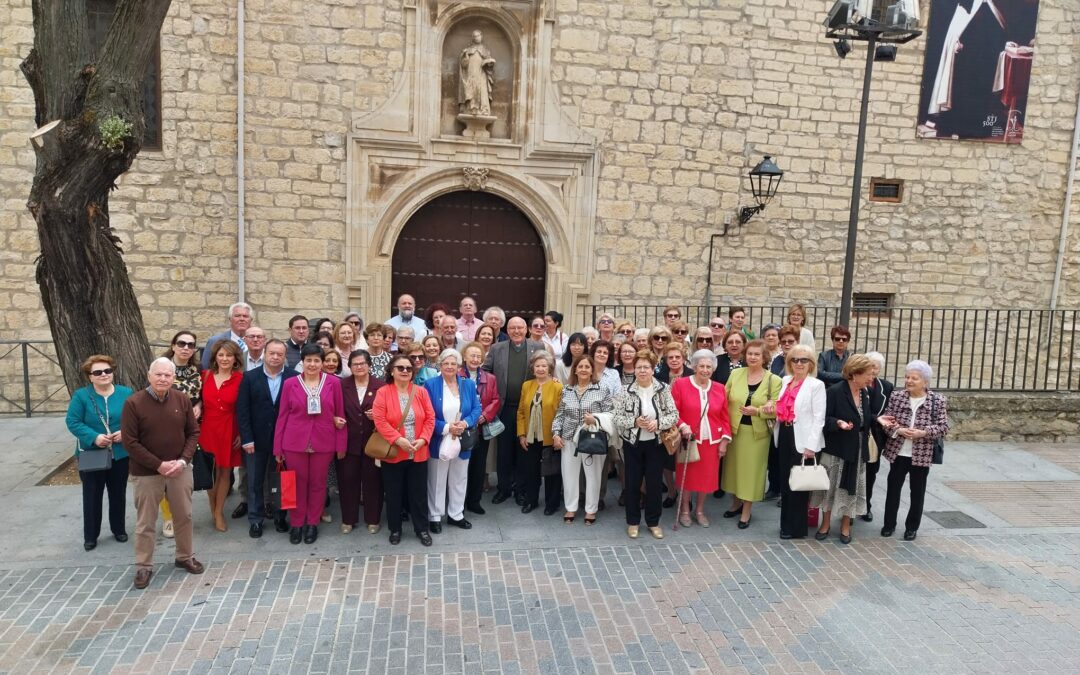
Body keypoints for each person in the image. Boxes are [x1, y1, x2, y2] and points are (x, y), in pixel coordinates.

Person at [121, 357, 203, 590]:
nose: (163, 378)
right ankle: (144, 565)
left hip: (179, 469)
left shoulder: (182, 399)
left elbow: (193, 432)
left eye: (168, 375)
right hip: (147, 472)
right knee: (146, 521)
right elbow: (130, 442)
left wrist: (183, 460)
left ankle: (184, 556)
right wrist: (158, 465)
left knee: (184, 516)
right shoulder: (133, 403)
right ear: (149, 376)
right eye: (158, 374)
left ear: (173, 378)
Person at [273, 344, 347, 545]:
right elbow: (282, 416)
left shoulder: (333, 383)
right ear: (302, 362)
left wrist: (341, 445)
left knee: (317, 484)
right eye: (309, 360)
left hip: (323, 441)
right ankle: (297, 523)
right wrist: (277, 447)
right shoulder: (290, 383)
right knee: (296, 484)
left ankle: (312, 523)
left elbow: (340, 415)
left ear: (322, 363)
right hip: (294, 442)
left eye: (316, 360)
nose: (312, 364)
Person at [66, 355, 133, 551]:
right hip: (92, 454)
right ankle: (91, 535)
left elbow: (135, 419)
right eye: (98, 372)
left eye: (107, 371)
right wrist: (94, 437)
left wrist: (125, 432)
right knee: (92, 495)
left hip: (119, 454)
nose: (103, 375)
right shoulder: (81, 396)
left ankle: (118, 529)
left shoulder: (126, 393)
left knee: (118, 493)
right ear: (90, 377)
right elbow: (73, 422)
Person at [878, 360, 949, 542]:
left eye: (914, 378)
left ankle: (912, 528)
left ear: (925, 382)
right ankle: (889, 524)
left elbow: (943, 427)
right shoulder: (897, 396)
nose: (909, 381)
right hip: (898, 452)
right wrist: (899, 430)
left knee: (917, 493)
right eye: (907, 377)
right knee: (893, 490)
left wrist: (923, 432)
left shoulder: (937, 400)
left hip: (921, 453)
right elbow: (886, 421)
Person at [613, 349, 678, 540]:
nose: (642, 371)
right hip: (632, 444)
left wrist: (658, 424)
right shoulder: (625, 390)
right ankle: (633, 522)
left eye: (646, 367)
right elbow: (617, 417)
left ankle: (653, 522)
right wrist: (634, 422)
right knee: (632, 484)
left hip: (656, 444)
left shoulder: (663, 388)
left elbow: (674, 414)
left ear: (653, 369)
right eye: (639, 367)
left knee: (654, 484)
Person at [236, 338, 297, 538]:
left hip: (285, 440)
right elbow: (242, 411)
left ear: (285, 356)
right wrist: (246, 439)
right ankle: (256, 519)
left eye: (280, 354)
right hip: (256, 440)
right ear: (264, 353)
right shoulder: (249, 377)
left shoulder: (293, 377)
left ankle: (280, 517)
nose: (275, 357)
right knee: (255, 481)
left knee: (281, 479)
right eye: (272, 353)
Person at [811, 354, 876, 545]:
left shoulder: (866, 393)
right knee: (830, 488)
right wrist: (837, 423)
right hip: (836, 449)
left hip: (856, 450)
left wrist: (878, 420)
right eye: (868, 375)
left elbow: (866, 420)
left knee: (851, 489)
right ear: (855, 374)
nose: (871, 378)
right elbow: (823, 419)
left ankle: (846, 526)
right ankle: (825, 524)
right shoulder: (835, 391)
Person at [373, 354, 437, 546]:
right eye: (400, 368)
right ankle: (395, 529)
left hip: (417, 451)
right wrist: (398, 439)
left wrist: (424, 439)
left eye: (408, 368)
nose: (405, 371)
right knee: (393, 494)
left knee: (418, 494)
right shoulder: (383, 392)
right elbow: (380, 421)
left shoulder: (421, 392)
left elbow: (430, 418)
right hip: (394, 451)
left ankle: (422, 529)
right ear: (391, 371)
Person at [482, 316, 545, 505]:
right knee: (504, 451)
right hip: (505, 409)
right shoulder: (497, 348)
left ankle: (521, 490)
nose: (516, 331)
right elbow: (486, 371)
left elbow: (546, 370)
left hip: (528, 409)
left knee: (524, 450)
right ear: (507, 330)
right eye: (512, 328)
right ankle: (503, 489)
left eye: (520, 327)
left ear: (526, 329)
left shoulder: (538, 347)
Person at [722, 340, 782, 529]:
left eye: (757, 354)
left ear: (764, 357)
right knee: (733, 470)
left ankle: (746, 511)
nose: (753, 357)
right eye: (749, 354)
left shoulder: (774, 380)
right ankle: (735, 503)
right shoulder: (735, 374)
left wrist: (757, 411)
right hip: (735, 431)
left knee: (751, 473)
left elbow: (778, 408)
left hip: (757, 435)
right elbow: (723, 397)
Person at [670, 350, 733, 528]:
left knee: (706, 479)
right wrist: (682, 426)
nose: (705, 370)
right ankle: (684, 510)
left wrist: (724, 441)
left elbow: (725, 417)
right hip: (688, 440)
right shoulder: (681, 384)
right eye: (701, 366)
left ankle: (699, 510)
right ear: (694, 367)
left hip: (711, 441)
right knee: (686, 476)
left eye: (709, 367)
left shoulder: (720, 388)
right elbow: (674, 411)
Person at [772, 345, 826, 540]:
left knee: (799, 485)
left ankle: (796, 528)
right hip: (785, 434)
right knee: (786, 482)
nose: (799, 363)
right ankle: (785, 524)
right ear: (789, 363)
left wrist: (811, 447)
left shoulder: (816, 385)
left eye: (804, 360)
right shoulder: (786, 380)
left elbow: (819, 418)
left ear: (811, 364)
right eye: (795, 360)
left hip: (803, 439)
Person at [424, 349, 481, 533]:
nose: (450, 367)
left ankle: (456, 514)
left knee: (459, 477)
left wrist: (465, 423)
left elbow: (476, 409)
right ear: (440, 365)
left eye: (453, 364)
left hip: (461, 439)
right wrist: (448, 428)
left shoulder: (468, 384)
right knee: (437, 478)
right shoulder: (430, 385)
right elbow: (428, 414)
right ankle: (434, 516)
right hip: (439, 438)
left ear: (459, 367)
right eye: (446, 363)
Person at [552, 355, 614, 525]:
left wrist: (596, 419)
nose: (584, 370)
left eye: (587, 367)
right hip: (569, 437)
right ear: (575, 370)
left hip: (592, 437)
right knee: (569, 475)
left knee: (593, 476)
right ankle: (570, 507)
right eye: (580, 367)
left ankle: (591, 510)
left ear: (592, 370)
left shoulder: (602, 389)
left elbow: (612, 413)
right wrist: (556, 434)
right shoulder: (567, 389)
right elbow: (560, 414)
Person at [200, 339, 244, 532]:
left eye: (229, 355)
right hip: (207, 428)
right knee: (209, 473)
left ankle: (218, 512)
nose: (224, 358)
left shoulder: (241, 380)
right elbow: (196, 400)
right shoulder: (204, 376)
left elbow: (244, 409)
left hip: (229, 428)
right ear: (215, 357)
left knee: (225, 471)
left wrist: (242, 433)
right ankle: (214, 508)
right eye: (221, 355)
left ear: (235, 359)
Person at [339, 349, 385, 535]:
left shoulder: (380, 386)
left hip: (372, 442)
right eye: (355, 364)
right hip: (348, 442)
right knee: (347, 481)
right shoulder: (341, 385)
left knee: (373, 481)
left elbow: (390, 411)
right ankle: (348, 519)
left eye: (362, 363)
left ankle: (373, 519)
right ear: (349, 366)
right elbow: (334, 409)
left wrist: (378, 415)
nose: (359, 367)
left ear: (369, 365)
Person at [162, 330, 202, 537]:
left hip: (193, 425)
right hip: (168, 424)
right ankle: (168, 517)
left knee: (186, 470)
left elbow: (203, 393)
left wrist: (200, 405)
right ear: (173, 345)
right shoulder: (163, 367)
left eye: (190, 344)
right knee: (169, 471)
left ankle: (183, 513)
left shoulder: (198, 368)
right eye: (182, 343)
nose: (186, 347)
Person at [516, 351, 564, 515]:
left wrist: (559, 434)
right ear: (533, 368)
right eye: (538, 366)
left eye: (544, 365)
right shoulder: (527, 385)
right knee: (531, 471)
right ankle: (531, 500)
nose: (541, 369)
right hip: (530, 436)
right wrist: (521, 434)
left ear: (550, 368)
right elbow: (521, 411)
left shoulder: (558, 386)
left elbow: (561, 413)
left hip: (550, 436)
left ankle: (552, 503)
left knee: (552, 472)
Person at [461, 341, 501, 515]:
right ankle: (458, 502)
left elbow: (495, 399)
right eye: (472, 355)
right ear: (464, 357)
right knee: (461, 467)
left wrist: (485, 415)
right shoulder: (457, 375)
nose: (475, 359)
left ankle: (474, 501)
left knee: (478, 466)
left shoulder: (489, 378)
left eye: (479, 356)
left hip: (481, 428)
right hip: (462, 428)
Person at [862, 351, 894, 523]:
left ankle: (866, 505)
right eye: (870, 366)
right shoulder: (856, 384)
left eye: (876, 367)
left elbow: (890, 410)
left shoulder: (886, 387)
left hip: (876, 436)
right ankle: (851, 509)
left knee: (871, 473)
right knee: (855, 472)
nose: (872, 370)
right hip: (859, 433)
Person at [201, 302, 252, 370]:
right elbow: (206, 367)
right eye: (237, 316)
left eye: (245, 316)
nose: (242, 319)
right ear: (230, 319)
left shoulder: (257, 342)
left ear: (251, 320)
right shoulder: (215, 341)